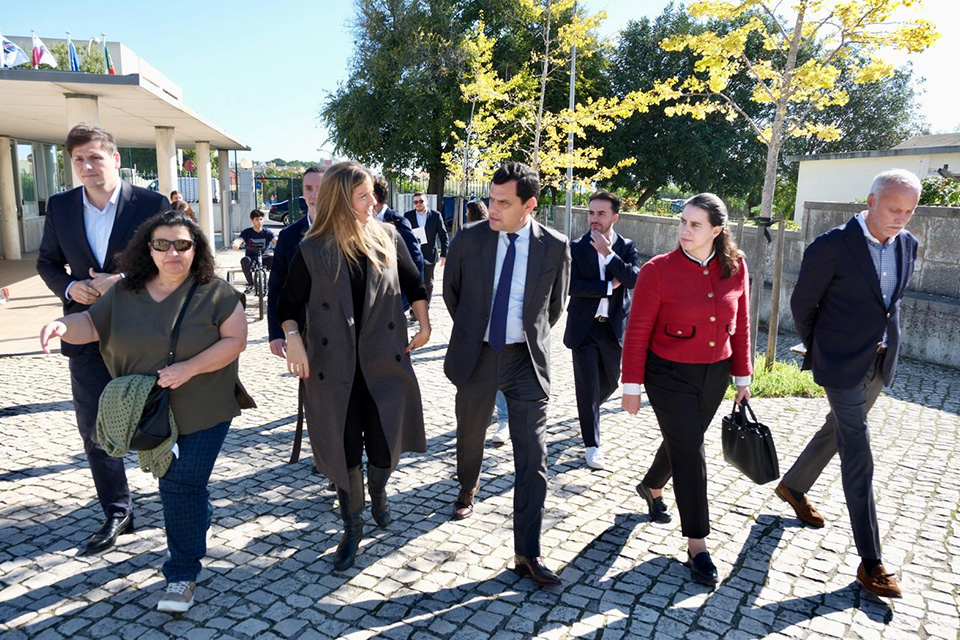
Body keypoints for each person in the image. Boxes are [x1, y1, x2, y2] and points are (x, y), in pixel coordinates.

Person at [40, 211, 247, 613]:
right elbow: (91, 325)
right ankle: (196, 516)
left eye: (183, 244)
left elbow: (235, 341)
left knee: (179, 483)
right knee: (187, 488)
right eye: (162, 244)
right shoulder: (124, 293)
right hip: (149, 409)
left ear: (196, 249)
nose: (173, 252)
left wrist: (189, 368)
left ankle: (181, 574)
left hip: (207, 405)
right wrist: (63, 327)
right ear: (147, 249)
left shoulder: (216, 292)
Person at [776, 169, 920, 598]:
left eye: (909, 211)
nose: (901, 218)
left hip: (879, 360)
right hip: (839, 363)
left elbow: (889, 304)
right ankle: (871, 562)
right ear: (871, 200)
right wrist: (821, 349)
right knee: (858, 449)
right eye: (894, 209)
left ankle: (793, 486)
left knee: (837, 430)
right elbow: (803, 304)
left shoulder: (908, 244)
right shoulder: (832, 246)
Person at [279, 162, 430, 571]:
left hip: (383, 361)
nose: (373, 203)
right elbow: (288, 307)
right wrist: (294, 341)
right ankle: (353, 525)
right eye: (364, 196)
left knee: (384, 445)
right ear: (342, 200)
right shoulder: (312, 249)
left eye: (372, 195)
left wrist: (425, 321)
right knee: (345, 452)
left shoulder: (388, 236)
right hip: (333, 369)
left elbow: (414, 282)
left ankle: (379, 490)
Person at [36, 124, 170, 556]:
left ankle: (179, 497)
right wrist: (70, 289)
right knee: (94, 427)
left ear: (115, 159)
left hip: (143, 332)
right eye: (79, 160)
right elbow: (47, 262)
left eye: (95, 157)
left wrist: (124, 279)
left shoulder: (149, 204)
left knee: (164, 418)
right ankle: (117, 510)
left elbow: (176, 257)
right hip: (84, 331)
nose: (87, 166)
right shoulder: (60, 207)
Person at [443, 162, 571, 587]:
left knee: (533, 459)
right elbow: (453, 294)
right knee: (470, 433)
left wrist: (522, 335)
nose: (492, 209)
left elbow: (554, 308)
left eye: (503, 202)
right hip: (477, 355)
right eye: (492, 200)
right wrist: (477, 331)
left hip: (524, 363)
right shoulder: (468, 240)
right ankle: (467, 486)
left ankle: (527, 553)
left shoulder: (555, 246)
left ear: (529, 205)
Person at [621, 193, 751, 588]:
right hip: (668, 374)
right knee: (691, 451)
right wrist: (632, 385)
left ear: (717, 230)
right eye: (683, 221)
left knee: (683, 441)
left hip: (715, 375)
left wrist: (742, 377)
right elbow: (637, 330)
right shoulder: (657, 270)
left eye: (695, 224)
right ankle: (698, 543)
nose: (684, 230)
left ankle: (652, 485)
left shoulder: (735, 267)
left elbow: (742, 322)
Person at [564, 191, 639, 470]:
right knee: (587, 387)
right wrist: (608, 287)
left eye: (601, 214)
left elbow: (632, 279)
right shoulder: (576, 246)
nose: (594, 219)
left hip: (612, 329)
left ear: (614, 217)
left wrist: (608, 255)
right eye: (591, 213)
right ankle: (592, 445)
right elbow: (571, 286)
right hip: (583, 329)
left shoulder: (626, 246)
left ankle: (589, 411)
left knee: (610, 382)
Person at [464, 200, 512, 443]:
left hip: (502, 325)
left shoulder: (509, 240)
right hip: (475, 327)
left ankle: (504, 420)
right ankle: (480, 419)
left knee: (500, 373)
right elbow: (455, 289)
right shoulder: (470, 240)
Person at [268, 167, 323, 357]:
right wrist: (276, 333)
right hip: (303, 330)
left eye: (320, 188)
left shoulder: (345, 232)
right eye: (309, 188)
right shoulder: (288, 236)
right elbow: (276, 286)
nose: (314, 194)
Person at [373, 175, 425, 293]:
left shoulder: (398, 222)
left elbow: (416, 260)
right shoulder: (362, 222)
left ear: (374, 196)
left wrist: (403, 300)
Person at [404, 191, 448, 306]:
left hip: (429, 255)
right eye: (416, 202)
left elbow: (444, 236)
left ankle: (425, 307)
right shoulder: (408, 216)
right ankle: (414, 309)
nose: (418, 204)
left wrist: (444, 254)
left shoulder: (435, 215)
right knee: (413, 283)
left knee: (428, 283)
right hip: (413, 255)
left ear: (426, 201)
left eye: (421, 201)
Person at [232, 209, 276, 293]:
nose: (259, 222)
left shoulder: (267, 232)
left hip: (264, 257)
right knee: (245, 261)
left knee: (276, 260)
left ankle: (271, 284)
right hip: (252, 258)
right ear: (252, 220)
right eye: (256, 219)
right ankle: (251, 284)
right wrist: (236, 244)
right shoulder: (247, 232)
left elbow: (276, 240)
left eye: (261, 219)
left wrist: (282, 244)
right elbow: (239, 239)